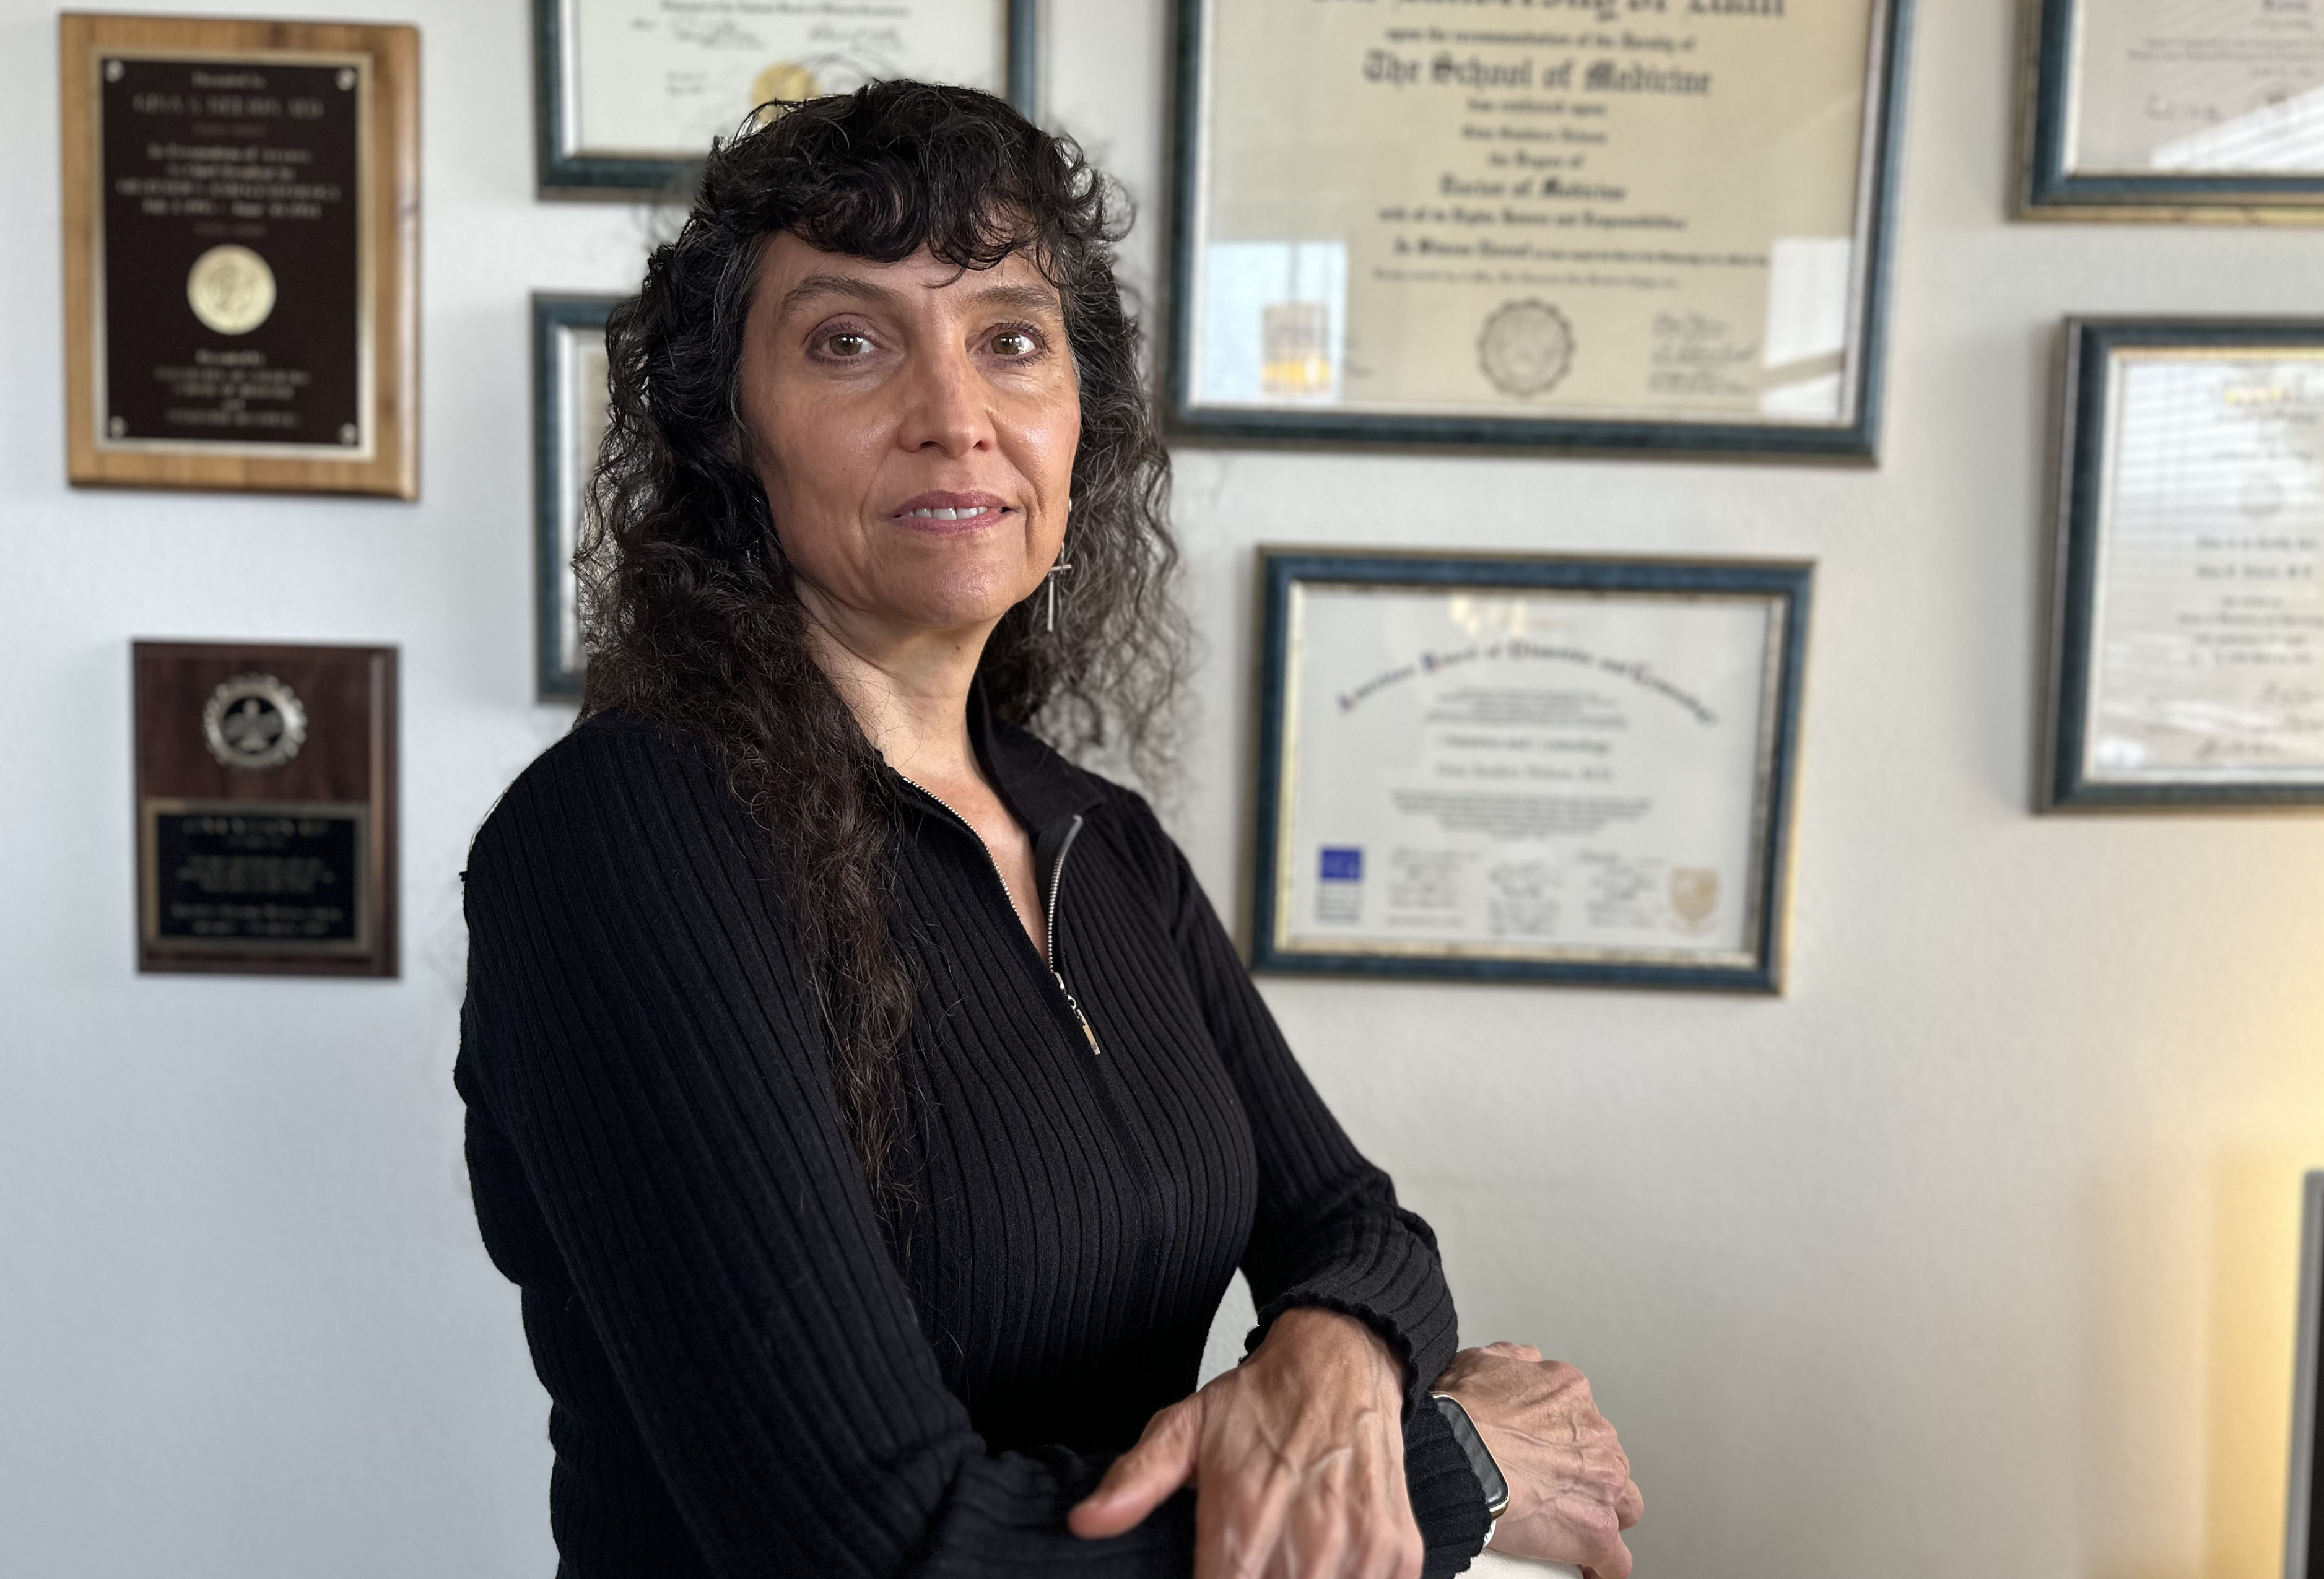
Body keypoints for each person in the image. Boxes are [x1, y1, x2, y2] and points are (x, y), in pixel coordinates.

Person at [456, 80, 1642, 1579]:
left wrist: (1331, 1360)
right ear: (729, 433)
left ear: (1080, 416)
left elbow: (1355, 1221)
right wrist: (1447, 1463)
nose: (954, 417)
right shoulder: (622, 842)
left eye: (1009, 339)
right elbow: (883, 1546)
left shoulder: (1096, 833)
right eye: (848, 341)